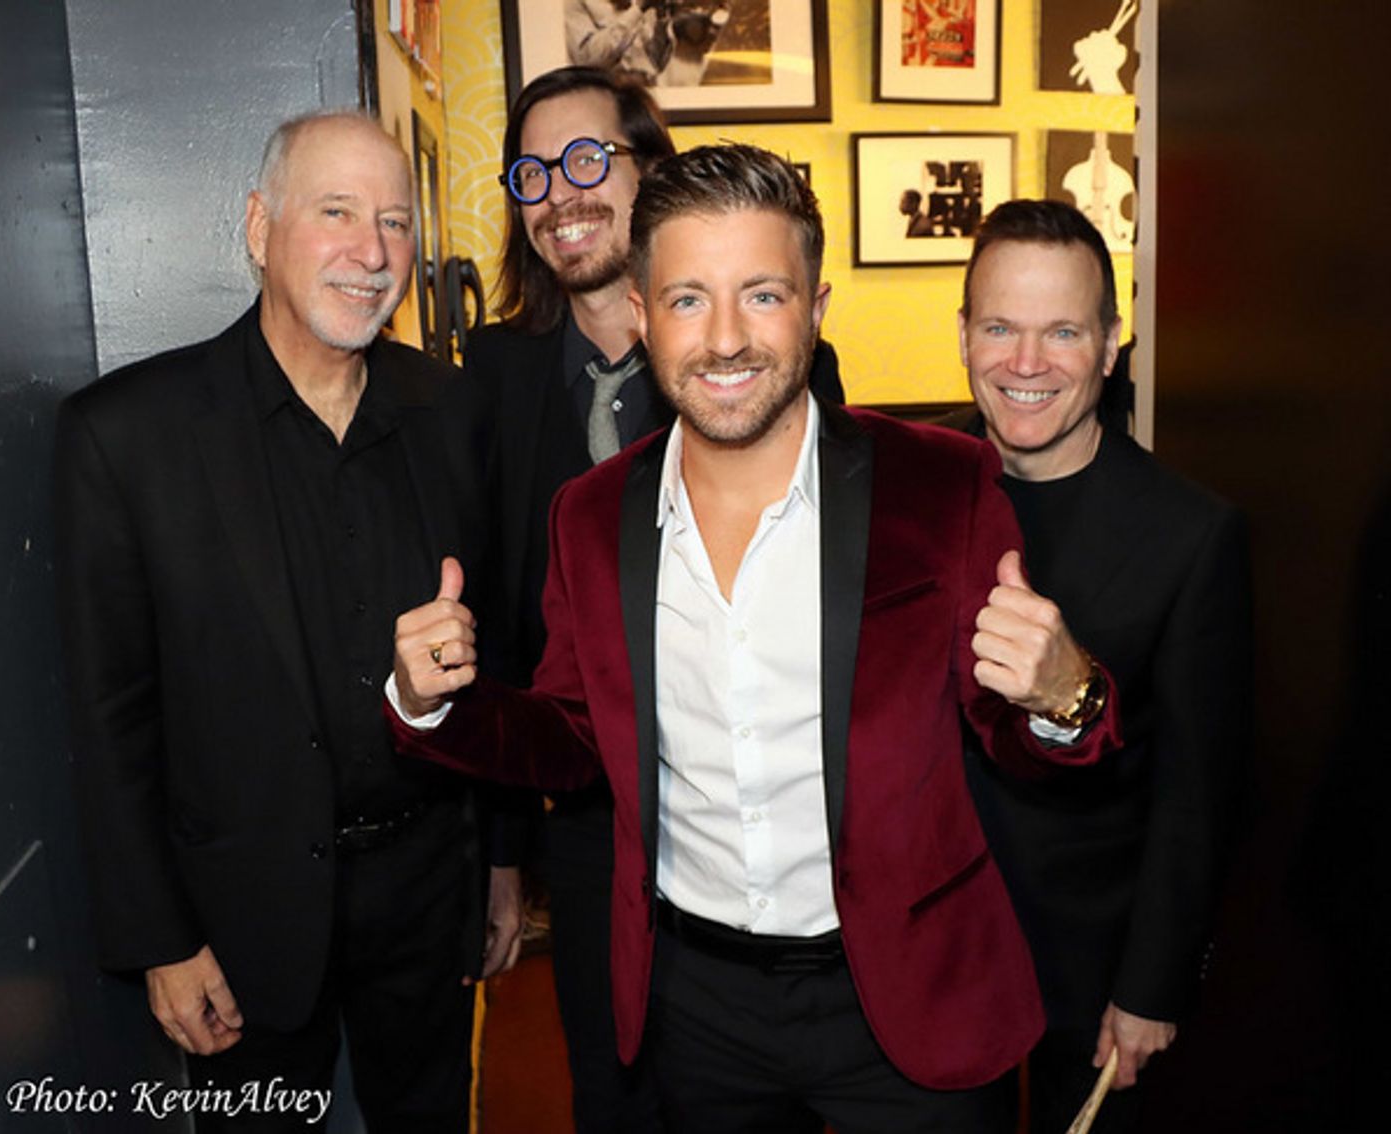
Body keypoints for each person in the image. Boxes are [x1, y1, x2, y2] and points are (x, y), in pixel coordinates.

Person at [390, 144, 1120, 1134]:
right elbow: (571, 735)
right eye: (688, 299)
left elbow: (1010, 734)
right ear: (643, 316)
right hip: (696, 1007)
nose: (724, 338)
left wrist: (1063, 695)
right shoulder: (590, 515)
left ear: (815, 308)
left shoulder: (939, 487)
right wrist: (435, 702)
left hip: (906, 996)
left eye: (761, 295)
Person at [54, 110, 518, 1132]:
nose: (372, 251)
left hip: (425, 887)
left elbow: (483, 665)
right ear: (260, 227)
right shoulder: (125, 437)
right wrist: (160, 941)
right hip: (238, 916)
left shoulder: (451, 413)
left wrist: (494, 862)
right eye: (336, 212)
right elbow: (109, 718)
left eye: (395, 221)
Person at [472, 65, 842, 1133]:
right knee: (618, 1089)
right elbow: (497, 621)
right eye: (534, 172)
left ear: (650, 169)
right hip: (589, 821)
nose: (561, 194)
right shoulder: (491, 375)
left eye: (588, 159)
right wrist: (503, 861)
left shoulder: (762, 365)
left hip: (761, 820)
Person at [952, 199, 1250, 1132]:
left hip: (1092, 962)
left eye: (1063, 332)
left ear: (1113, 344)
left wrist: (1152, 985)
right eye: (999, 327)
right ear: (962, 335)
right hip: (935, 954)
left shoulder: (1192, 534)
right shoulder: (911, 493)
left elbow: (1199, 790)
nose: (1026, 363)